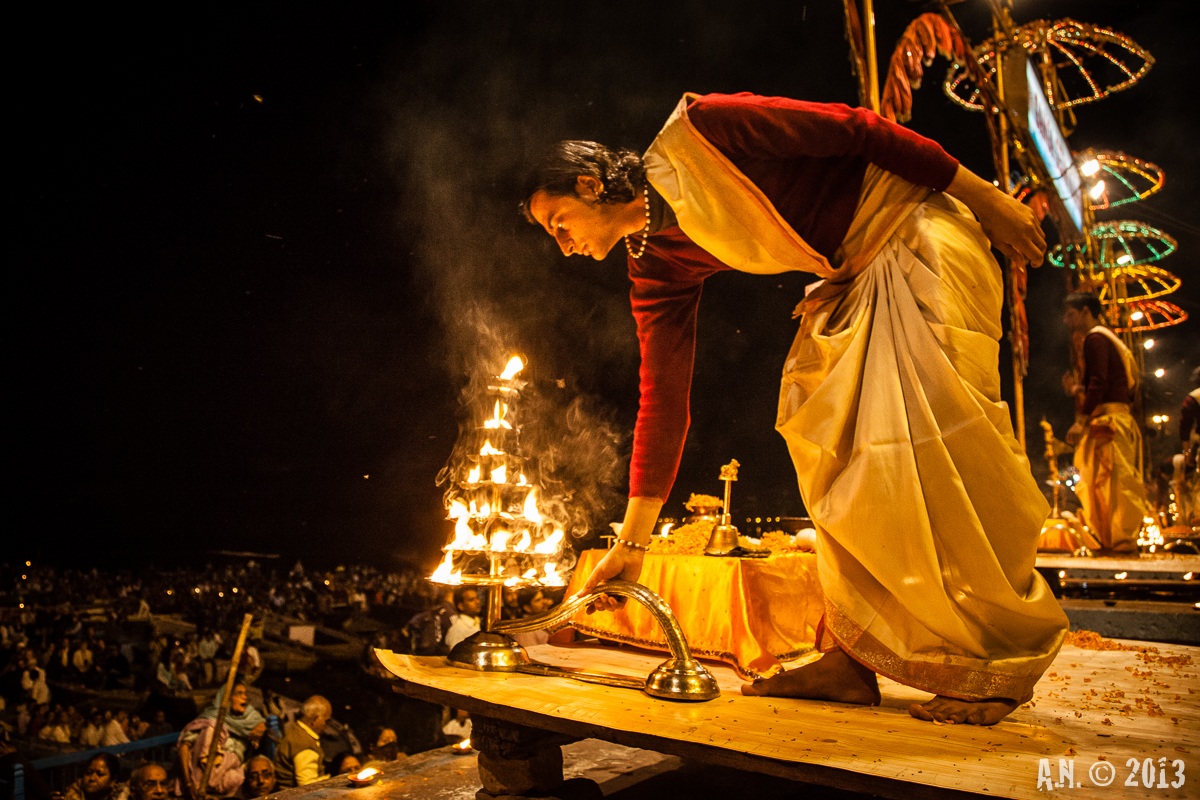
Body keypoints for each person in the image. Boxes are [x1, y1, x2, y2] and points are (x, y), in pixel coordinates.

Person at [523, 91, 1068, 726]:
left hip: (920, 237)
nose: (563, 246)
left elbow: (863, 130)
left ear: (591, 186)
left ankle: (996, 660)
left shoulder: (705, 131)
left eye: (559, 223)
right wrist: (633, 543)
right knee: (838, 463)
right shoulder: (655, 267)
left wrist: (988, 199)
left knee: (942, 454)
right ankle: (852, 657)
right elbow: (664, 398)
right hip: (855, 281)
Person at [1062, 291, 1149, 553]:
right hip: (1117, 420)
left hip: (1108, 424)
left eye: (1071, 314)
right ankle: (1116, 541)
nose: (1067, 321)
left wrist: (1081, 420)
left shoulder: (1095, 339)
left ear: (1086, 311)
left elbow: (1099, 383)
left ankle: (1120, 542)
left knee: (1111, 483)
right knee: (1104, 481)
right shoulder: (1109, 339)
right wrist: (1079, 390)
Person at [177, 683, 267, 798]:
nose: (244, 697)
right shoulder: (213, 718)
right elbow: (184, 747)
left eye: (245, 694)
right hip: (203, 772)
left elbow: (263, 730)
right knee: (211, 728)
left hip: (227, 777)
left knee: (238, 777)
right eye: (239, 694)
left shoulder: (249, 720)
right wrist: (188, 783)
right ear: (227, 698)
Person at [272, 695, 331, 788]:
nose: (326, 726)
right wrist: (330, 780)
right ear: (315, 719)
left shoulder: (295, 731)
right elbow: (308, 786)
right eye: (326, 720)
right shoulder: (304, 745)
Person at [61, 753, 129, 800]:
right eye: (88, 773)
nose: (92, 778)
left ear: (113, 780)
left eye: (100, 774)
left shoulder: (122, 794)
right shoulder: (75, 791)